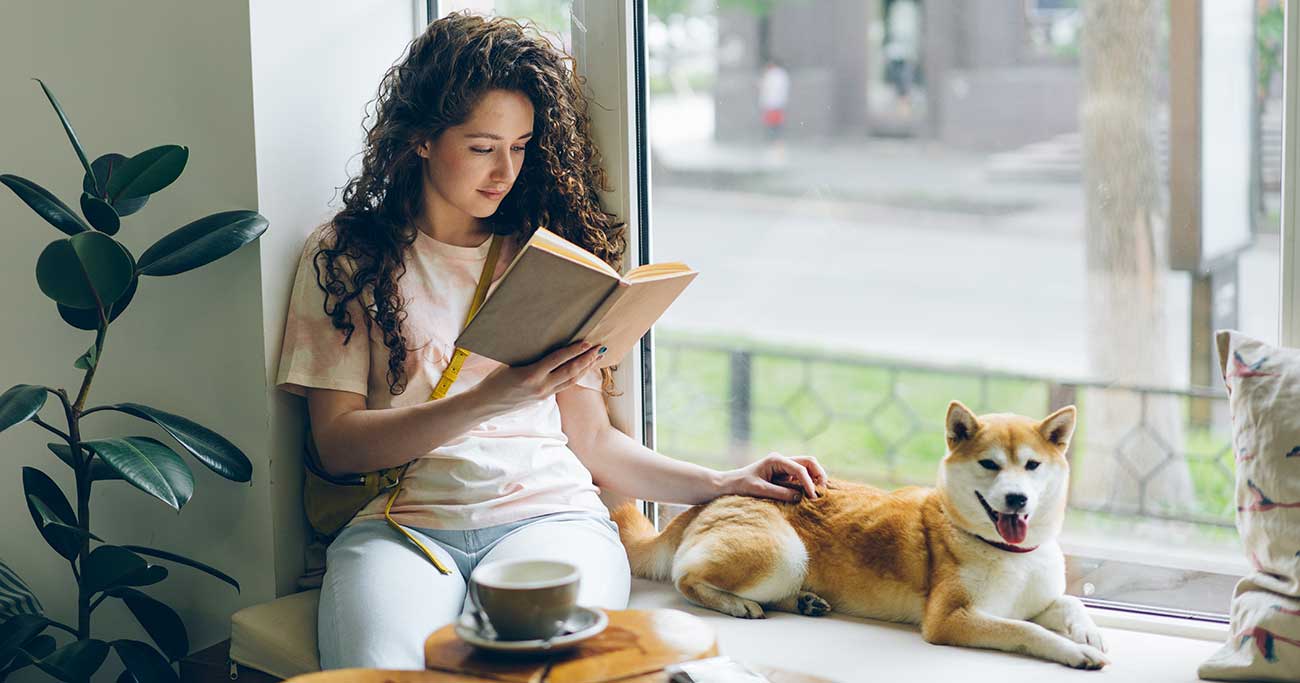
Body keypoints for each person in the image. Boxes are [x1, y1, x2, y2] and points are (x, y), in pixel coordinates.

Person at [275, 12, 828, 670]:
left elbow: (593, 443)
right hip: (402, 526)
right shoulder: (348, 255)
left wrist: (721, 480)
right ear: (421, 137)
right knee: (380, 666)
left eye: (521, 145)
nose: (503, 169)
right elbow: (335, 445)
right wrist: (489, 399)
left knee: (548, 667)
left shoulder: (544, 261)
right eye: (482, 146)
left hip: (553, 518)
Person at [758, 59, 790, 141]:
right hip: (776, 102)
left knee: (773, 122)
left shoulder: (774, 75)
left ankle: (774, 138)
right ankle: (774, 138)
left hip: (773, 102)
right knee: (774, 121)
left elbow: (768, 88)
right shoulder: (780, 74)